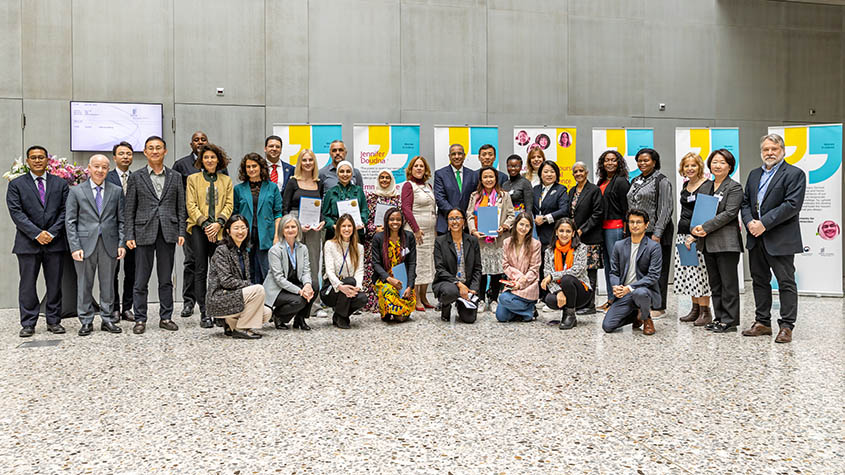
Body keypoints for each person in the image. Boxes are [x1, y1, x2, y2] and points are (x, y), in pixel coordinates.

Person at [740, 134, 806, 343]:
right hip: (755, 237)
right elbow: (745, 202)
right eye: (766, 149)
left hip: (780, 238)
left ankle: (786, 326)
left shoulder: (795, 174)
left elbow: (792, 205)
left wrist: (764, 223)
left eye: (774, 149)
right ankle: (762, 323)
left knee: (786, 282)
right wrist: (750, 222)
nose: (769, 153)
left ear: (783, 151)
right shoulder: (753, 174)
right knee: (759, 281)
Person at [125, 136, 186, 335]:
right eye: (150, 148)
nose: (155, 151)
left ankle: (166, 317)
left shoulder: (175, 176)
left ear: (165, 151)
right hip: (143, 232)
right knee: (140, 279)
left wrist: (181, 231)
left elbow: (181, 207)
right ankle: (140, 318)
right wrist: (129, 234)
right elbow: (129, 208)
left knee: (165, 278)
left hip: (168, 232)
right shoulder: (136, 177)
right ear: (145, 152)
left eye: (158, 148)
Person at [6, 145, 70, 337]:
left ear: (47, 160)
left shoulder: (60, 183)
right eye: (33, 157)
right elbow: (16, 213)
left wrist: (51, 233)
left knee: (54, 284)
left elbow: (65, 211)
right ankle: (28, 323)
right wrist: (36, 233)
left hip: (55, 242)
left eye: (41, 157)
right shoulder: (16, 184)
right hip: (28, 243)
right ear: (27, 161)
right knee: (27, 285)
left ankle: (53, 321)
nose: (37, 160)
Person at [65, 154, 125, 336]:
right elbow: (70, 221)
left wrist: (121, 243)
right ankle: (86, 320)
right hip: (84, 244)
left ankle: (107, 319)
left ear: (108, 170)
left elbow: (121, 220)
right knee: (84, 284)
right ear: (89, 169)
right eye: (96, 167)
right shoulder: (76, 191)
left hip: (109, 243)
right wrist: (75, 247)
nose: (100, 170)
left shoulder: (115, 191)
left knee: (108, 284)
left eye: (104, 167)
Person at [691, 149, 743, 333]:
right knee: (715, 283)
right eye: (714, 162)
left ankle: (730, 321)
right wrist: (696, 229)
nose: (717, 165)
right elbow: (700, 212)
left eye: (722, 162)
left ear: (729, 166)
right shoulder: (705, 186)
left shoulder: (734, 187)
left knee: (729, 283)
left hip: (726, 243)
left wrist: (705, 227)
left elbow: (729, 213)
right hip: (707, 242)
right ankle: (719, 317)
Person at [185, 143, 233, 328]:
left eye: (212, 157)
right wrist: (206, 225)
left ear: (218, 160)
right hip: (198, 228)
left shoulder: (225, 180)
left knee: (219, 271)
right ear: (201, 160)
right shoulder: (192, 179)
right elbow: (191, 205)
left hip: (219, 228)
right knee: (200, 269)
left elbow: (229, 204)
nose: (209, 160)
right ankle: (204, 312)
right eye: (206, 157)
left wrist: (218, 224)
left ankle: (218, 310)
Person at [172, 131, 220, 318]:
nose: (200, 142)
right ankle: (189, 302)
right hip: (193, 223)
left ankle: (213, 303)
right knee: (192, 262)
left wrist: (216, 223)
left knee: (215, 266)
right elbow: (179, 195)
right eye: (196, 140)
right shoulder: (181, 165)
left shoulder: (220, 170)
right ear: (190, 143)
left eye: (203, 139)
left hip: (217, 227)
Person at [206, 215, 271, 339]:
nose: (240, 232)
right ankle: (241, 329)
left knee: (267, 313)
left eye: (243, 228)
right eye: (236, 228)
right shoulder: (221, 250)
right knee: (258, 290)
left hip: (235, 296)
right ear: (228, 231)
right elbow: (226, 281)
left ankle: (230, 324)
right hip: (221, 297)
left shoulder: (244, 251)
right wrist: (250, 285)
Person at [626, 148, 673, 318]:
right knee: (641, 269)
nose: (642, 163)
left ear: (654, 162)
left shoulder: (661, 180)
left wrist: (658, 234)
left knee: (658, 270)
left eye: (646, 160)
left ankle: (659, 306)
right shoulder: (636, 180)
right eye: (639, 160)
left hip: (656, 232)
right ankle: (643, 303)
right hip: (639, 232)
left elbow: (666, 209)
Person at [602, 209, 661, 335]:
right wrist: (616, 286)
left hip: (644, 291)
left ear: (646, 225)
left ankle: (647, 318)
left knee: (640, 293)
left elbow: (653, 276)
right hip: (624, 293)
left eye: (638, 222)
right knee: (608, 326)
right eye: (632, 222)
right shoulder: (619, 245)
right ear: (627, 224)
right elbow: (614, 272)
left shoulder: (653, 247)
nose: (634, 225)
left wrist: (629, 287)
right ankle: (636, 315)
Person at [282, 149, 326, 317]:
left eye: (310, 160)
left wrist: (321, 220)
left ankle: (315, 305)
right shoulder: (293, 182)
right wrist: (295, 225)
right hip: (294, 225)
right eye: (304, 160)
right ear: (299, 163)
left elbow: (319, 206)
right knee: (294, 263)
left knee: (314, 263)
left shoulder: (319, 183)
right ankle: (295, 303)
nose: (307, 163)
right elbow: (285, 207)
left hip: (314, 227)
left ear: (314, 163)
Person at [466, 166, 516, 313]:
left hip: (498, 240)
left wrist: (505, 226)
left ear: (496, 178)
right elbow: (469, 215)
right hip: (480, 241)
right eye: (485, 177)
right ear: (481, 179)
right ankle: (480, 299)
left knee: (496, 271)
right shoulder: (475, 196)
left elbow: (511, 215)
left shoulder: (504, 195)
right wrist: (473, 230)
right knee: (481, 270)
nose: (488, 179)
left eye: (491, 177)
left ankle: (494, 299)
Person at [233, 153, 283, 285]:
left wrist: (276, 236)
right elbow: (235, 213)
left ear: (261, 167)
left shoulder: (272, 187)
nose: (251, 169)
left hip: (267, 234)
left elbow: (278, 213)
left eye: (254, 166)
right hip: (244, 235)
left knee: (267, 269)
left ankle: (268, 302)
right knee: (247, 271)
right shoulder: (238, 189)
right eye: (248, 167)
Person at [674, 153, 712, 325]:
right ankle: (695, 309)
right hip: (682, 234)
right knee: (689, 272)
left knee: (700, 273)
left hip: (697, 235)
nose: (690, 169)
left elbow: (707, 212)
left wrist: (694, 235)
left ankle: (706, 312)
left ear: (700, 167)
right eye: (687, 166)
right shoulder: (685, 185)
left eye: (693, 165)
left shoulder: (707, 185)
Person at [540, 217, 594, 329]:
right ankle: (568, 312)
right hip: (562, 289)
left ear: (573, 233)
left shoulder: (581, 248)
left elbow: (577, 270)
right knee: (550, 299)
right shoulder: (549, 251)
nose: (564, 234)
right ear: (556, 232)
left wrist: (552, 276)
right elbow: (546, 274)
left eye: (568, 231)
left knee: (567, 279)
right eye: (561, 231)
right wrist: (558, 291)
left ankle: (569, 315)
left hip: (581, 291)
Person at [264, 215, 315, 330]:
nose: (290, 230)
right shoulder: (275, 250)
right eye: (287, 227)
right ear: (282, 230)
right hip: (277, 290)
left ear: (298, 229)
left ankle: (300, 319)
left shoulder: (303, 248)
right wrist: (300, 291)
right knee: (299, 300)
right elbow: (279, 279)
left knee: (314, 286)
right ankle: (278, 316)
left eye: (293, 226)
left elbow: (306, 270)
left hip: (294, 284)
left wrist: (307, 285)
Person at [433, 209, 482, 324]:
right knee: (451, 292)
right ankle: (445, 304)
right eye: (451, 219)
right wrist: (459, 284)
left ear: (464, 221)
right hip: (447, 283)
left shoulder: (472, 241)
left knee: (470, 319)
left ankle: (460, 303)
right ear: (447, 222)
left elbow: (477, 268)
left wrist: (473, 289)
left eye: (458, 218)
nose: (455, 222)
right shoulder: (440, 241)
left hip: (468, 285)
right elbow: (440, 269)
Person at [568, 162, 604, 315]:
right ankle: (581, 302)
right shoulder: (572, 191)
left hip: (590, 237)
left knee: (590, 271)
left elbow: (598, 213)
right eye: (575, 171)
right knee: (579, 270)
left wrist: (582, 230)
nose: (578, 174)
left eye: (581, 171)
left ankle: (590, 304)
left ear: (587, 172)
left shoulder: (594, 190)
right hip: (575, 239)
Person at [595, 150, 630, 311]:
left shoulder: (622, 182)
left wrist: (625, 228)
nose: (609, 163)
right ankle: (611, 299)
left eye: (613, 160)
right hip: (603, 228)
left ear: (618, 163)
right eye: (606, 160)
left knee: (617, 266)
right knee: (608, 265)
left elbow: (626, 208)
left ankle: (619, 300)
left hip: (615, 228)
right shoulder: (601, 181)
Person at [362, 169, 401, 311]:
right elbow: (366, 219)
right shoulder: (371, 197)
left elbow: (399, 219)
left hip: (391, 241)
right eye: (382, 178)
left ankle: (387, 300)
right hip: (373, 240)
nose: (384, 180)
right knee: (372, 269)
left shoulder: (396, 199)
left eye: (387, 178)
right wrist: (374, 229)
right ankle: (370, 303)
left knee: (388, 269)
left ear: (391, 181)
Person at [401, 156, 436, 310]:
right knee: (416, 263)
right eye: (416, 166)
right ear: (411, 169)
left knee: (427, 263)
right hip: (415, 232)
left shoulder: (428, 186)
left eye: (422, 166)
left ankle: (423, 295)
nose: (419, 168)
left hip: (429, 232)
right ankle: (415, 297)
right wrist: (415, 229)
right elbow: (406, 209)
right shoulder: (408, 185)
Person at [371, 207, 417, 322]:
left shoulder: (409, 237)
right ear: (386, 221)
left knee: (401, 318)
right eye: (391, 219)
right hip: (385, 280)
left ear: (402, 221)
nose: (395, 222)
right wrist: (390, 280)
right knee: (389, 290)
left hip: (403, 280)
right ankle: (386, 310)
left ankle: (395, 310)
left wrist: (410, 286)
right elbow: (376, 264)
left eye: (398, 219)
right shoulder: (378, 238)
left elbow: (412, 263)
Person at [321, 214, 367, 329]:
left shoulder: (359, 247)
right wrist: (340, 286)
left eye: (349, 226)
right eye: (343, 226)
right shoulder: (329, 244)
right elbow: (329, 271)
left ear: (354, 228)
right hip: (331, 288)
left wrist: (358, 287)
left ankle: (338, 315)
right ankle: (343, 317)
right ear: (338, 228)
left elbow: (359, 270)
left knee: (362, 298)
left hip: (350, 286)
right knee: (350, 281)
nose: (346, 229)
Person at [496, 213, 542, 322]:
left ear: (531, 228)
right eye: (521, 224)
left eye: (527, 225)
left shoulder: (535, 244)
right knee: (501, 317)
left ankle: (526, 307)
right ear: (516, 224)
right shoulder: (507, 242)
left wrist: (521, 282)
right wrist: (517, 280)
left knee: (503, 298)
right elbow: (505, 265)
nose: (523, 228)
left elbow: (534, 269)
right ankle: (528, 312)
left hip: (528, 285)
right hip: (513, 284)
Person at [433, 144, 479, 234]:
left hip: (467, 225)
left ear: (464, 156)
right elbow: (440, 198)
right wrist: (455, 216)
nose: (457, 157)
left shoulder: (473, 175)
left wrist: (464, 219)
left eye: (459, 154)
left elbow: (475, 199)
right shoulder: (440, 174)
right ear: (449, 156)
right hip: (446, 224)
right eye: (453, 154)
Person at [322, 160, 368, 241]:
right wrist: (333, 225)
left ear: (352, 174)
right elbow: (325, 215)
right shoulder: (331, 192)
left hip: (355, 232)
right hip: (335, 233)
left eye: (348, 171)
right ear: (337, 174)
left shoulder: (359, 190)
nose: (345, 174)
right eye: (342, 171)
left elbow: (364, 210)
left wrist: (362, 223)